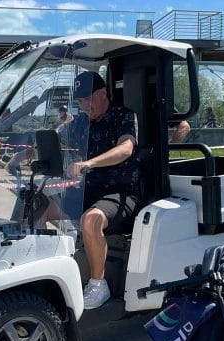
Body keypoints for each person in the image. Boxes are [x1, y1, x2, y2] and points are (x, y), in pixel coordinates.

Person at [62, 71, 140, 309]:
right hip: (88, 190)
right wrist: (28, 153)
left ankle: (98, 284)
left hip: (121, 192)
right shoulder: (80, 123)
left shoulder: (123, 116)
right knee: (36, 204)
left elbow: (126, 148)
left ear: (103, 93)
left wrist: (89, 163)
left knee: (91, 220)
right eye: (79, 101)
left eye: (87, 99)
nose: (83, 106)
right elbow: (55, 140)